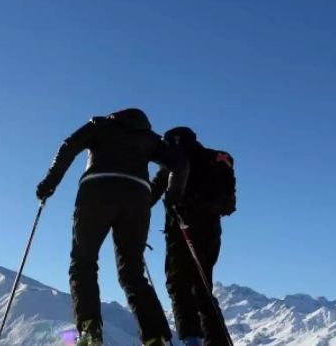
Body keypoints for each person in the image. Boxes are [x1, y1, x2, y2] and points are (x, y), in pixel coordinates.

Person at [36, 108, 189, 346]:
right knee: (132, 273)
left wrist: (49, 183)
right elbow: (180, 164)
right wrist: (172, 197)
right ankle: (156, 337)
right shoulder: (151, 139)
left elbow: (69, 146)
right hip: (137, 197)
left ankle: (90, 333)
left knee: (83, 262)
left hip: (96, 190)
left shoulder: (99, 125)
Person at [151, 127, 236, 346]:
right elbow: (227, 202)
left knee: (178, 285)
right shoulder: (215, 158)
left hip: (182, 227)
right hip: (211, 230)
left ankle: (191, 341)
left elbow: (154, 191)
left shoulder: (174, 160)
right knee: (202, 288)